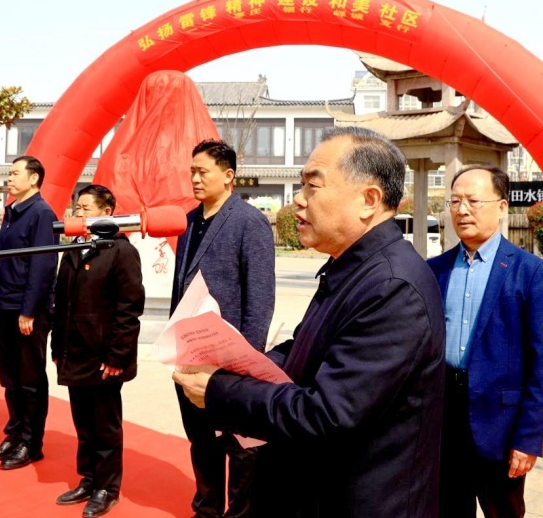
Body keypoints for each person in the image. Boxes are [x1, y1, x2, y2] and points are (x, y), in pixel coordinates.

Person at [174, 126, 445, 518]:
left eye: (312, 187)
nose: (298, 200)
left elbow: (328, 414)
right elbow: (306, 348)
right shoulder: (352, 267)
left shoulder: (392, 287)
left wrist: (221, 391)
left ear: (368, 200)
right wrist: (238, 363)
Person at [428, 165, 543, 518]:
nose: (461, 210)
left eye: (473, 201)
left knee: (502, 511)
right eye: (455, 201)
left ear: (502, 206)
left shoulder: (530, 271)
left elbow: (541, 364)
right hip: (445, 414)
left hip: (501, 422)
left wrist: (528, 438)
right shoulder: (436, 269)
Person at [170, 140, 275, 518]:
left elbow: (260, 298)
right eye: (192, 172)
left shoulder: (249, 222)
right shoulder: (188, 221)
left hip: (229, 362)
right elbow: (180, 286)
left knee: (240, 446)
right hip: (189, 356)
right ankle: (207, 508)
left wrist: (245, 362)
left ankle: (241, 513)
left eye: (203, 172)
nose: (195, 179)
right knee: (201, 441)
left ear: (228, 176)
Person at [51, 185, 145, 518]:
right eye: (77, 208)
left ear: (107, 211)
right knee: (83, 422)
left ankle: (107, 487)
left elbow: (129, 308)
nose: (79, 214)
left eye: (86, 208)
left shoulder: (120, 251)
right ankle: (88, 479)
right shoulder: (75, 248)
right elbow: (61, 301)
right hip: (74, 351)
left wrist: (118, 356)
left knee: (105, 424)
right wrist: (56, 346)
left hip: (104, 357)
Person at [0, 156, 58, 470]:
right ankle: (14, 433)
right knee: (10, 377)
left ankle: (31, 442)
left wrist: (29, 310)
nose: (9, 179)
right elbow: (3, 259)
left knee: (29, 379)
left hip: (28, 311)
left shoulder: (41, 213)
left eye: (15, 174)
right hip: (6, 305)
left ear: (34, 178)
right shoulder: (12, 212)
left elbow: (42, 265)